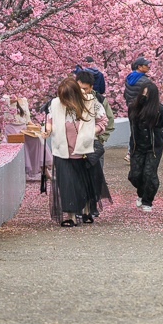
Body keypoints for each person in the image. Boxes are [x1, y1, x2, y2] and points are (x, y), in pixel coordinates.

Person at [45, 77, 110, 227]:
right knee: (67, 184)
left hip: (85, 150)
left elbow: (103, 121)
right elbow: (49, 120)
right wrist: (48, 130)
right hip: (63, 151)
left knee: (86, 183)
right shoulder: (55, 104)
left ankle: (87, 210)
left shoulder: (91, 102)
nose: (65, 100)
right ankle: (71, 216)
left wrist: (91, 132)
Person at [76, 70, 113, 218]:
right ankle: (81, 205)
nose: (82, 91)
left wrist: (101, 138)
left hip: (94, 143)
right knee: (79, 176)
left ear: (91, 87)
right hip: (77, 144)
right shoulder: (72, 98)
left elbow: (108, 121)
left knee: (95, 176)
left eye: (85, 88)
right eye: (79, 87)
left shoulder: (99, 100)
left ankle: (93, 204)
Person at [128, 85, 163, 211]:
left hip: (153, 146)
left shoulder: (160, 110)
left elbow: (162, 123)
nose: (144, 96)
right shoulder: (133, 107)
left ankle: (147, 200)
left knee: (149, 174)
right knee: (135, 175)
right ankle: (141, 192)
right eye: (143, 93)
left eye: (147, 94)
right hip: (137, 145)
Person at [2, 94, 52, 182]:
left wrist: (35, 125)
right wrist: (13, 99)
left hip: (24, 128)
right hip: (12, 128)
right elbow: (6, 108)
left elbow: (27, 119)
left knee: (38, 139)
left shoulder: (24, 100)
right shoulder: (5, 98)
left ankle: (44, 169)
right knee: (21, 145)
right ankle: (25, 171)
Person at [124, 56, 157, 162]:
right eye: (146, 65)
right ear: (139, 67)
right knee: (143, 132)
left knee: (133, 130)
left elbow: (126, 94)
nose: (148, 67)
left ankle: (131, 152)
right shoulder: (145, 81)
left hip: (131, 108)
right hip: (142, 109)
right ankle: (138, 153)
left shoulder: (129, 78)